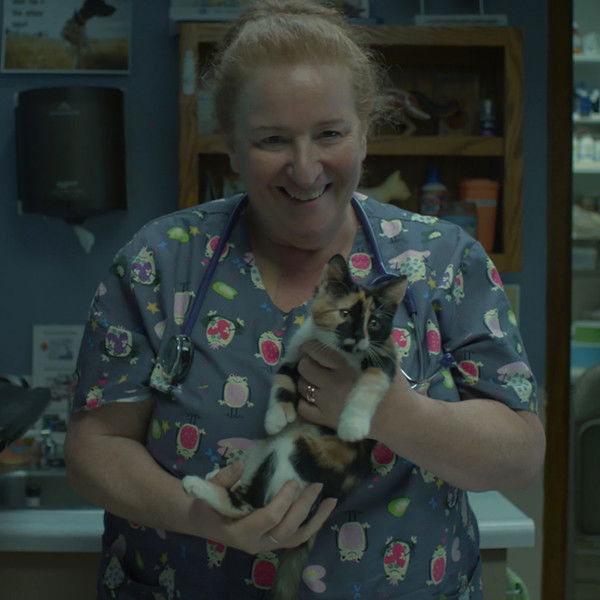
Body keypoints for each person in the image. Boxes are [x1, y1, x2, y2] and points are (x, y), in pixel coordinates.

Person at [64, 1, 546, 598]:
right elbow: (93, 447)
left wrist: (387, 409)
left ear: (364, 133)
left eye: (330, 134)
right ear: (232, 146)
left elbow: (520, 457)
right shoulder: (160, 262)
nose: (305, 167)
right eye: (272, 139)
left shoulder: (442, 262)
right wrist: (198, 517)